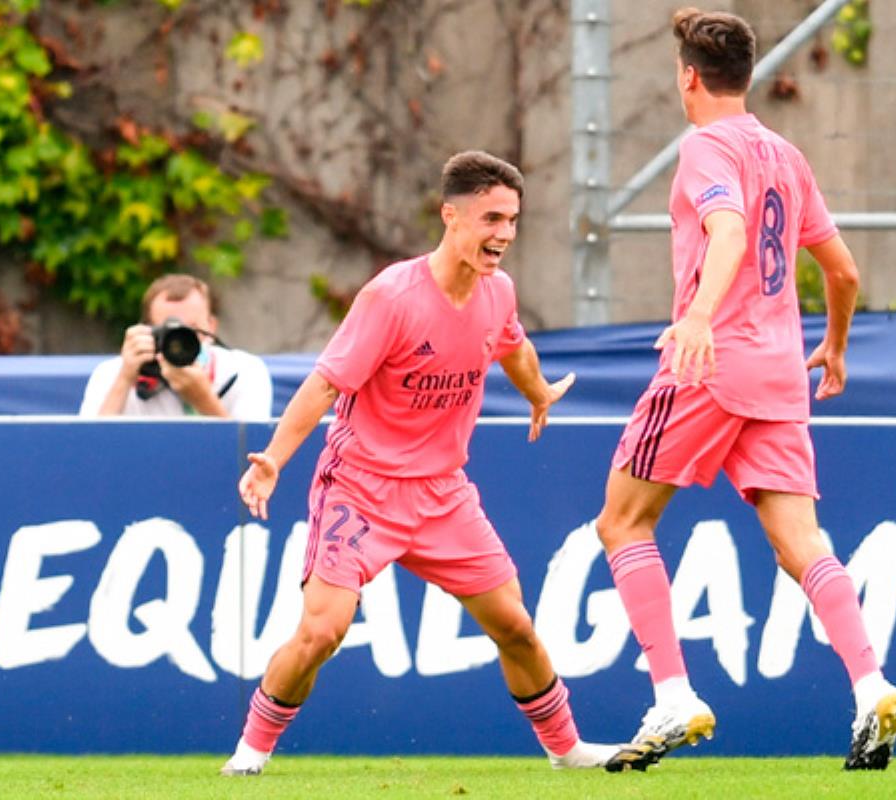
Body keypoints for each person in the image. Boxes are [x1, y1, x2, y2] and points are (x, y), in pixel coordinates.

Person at [220, 151, 655, 776]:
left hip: (444, 494)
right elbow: (323, 385)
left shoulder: (497, 292)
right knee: (322, 631)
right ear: (450, 216)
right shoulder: (392, 297)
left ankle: (567, 750)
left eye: (511, 221)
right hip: (361, 488)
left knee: (517, 627)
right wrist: (274, 463)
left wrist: (535, 392)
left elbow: (514, 345)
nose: (503, 234)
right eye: (490, 219)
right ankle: (250, 753)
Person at [594, 8, 896, 771]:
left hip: (711, 364)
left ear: (688, 78)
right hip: (778, 373)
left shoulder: (705, 146)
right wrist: (832, 348)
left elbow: (728, 234)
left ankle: (673, 694)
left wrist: (700, 317)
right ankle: (870, 686)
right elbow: (844, 270)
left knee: (622, 524)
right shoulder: (785, 153)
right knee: (802, 546)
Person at [78, 274, 273, 420]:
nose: (179, 341)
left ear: (212, 326)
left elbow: (251, 457)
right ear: (147, 330)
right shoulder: (111, 373)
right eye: (169, 330)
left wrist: (204, 400)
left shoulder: (245, 371)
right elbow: (88, 450)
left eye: (192, 329)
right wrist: (124, 379)